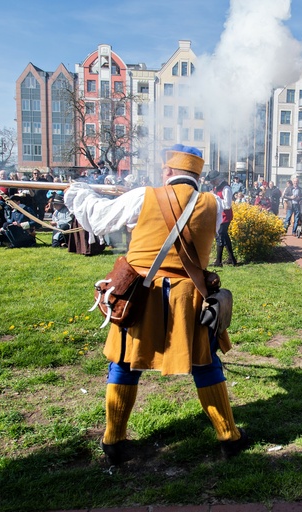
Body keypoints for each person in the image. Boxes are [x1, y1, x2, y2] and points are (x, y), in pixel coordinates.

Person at [64, 145, 248, 465]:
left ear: (167, 172)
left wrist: (80, 190)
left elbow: (98, 218)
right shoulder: (214, 203)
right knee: (205, 365)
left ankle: (114, 442)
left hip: (141, 295)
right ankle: (229, 436)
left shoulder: (142, 197)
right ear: (196, 175)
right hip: (191, 297)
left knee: (123, 364)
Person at [208, 170, 238, 267]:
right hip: (220, 215)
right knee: (224, 236)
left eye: (212, 181)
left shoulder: (226, 188)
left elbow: (227, 205)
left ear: (217, 179)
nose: (211, 183)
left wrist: (215, 199)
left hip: (225, 216)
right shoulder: (217, 187)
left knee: (220, 236)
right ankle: (232, 259)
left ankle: (219, 262)